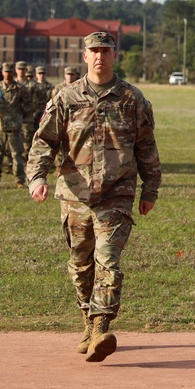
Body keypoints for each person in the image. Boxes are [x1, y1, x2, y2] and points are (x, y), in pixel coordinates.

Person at [27, 32, 162, 363]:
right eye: (93, 51)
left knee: (108, 260)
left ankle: (102, 326)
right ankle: (88, 320)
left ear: (115, 55)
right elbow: (45, 141)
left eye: (105, 50)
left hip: (117, 193)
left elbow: (146, 146)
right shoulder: (66, 97)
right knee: (80, 264)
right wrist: (36, 177)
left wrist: (150, 189)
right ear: (84, 56)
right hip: (74, 193)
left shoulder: (132, 98)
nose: (99, 55)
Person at [0, 62, 28, 189]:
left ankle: (19, 180)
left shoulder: (20, 88)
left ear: (13, 73)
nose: (7, 74)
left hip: (15, 126)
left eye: (10, 71)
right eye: (5, 71)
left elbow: (28, 105)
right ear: (2, 72)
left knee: (16, 154)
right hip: (0, 126)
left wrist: (21, 116)